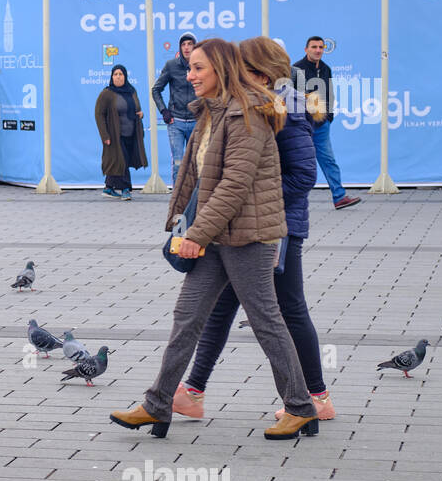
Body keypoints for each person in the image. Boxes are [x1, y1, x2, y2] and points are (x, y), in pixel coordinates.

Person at [109, 38, 319, 441]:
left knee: (266, 321)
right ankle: (158, 405)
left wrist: (197, 234)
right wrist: (177, 223)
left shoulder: (248, 117)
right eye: (189, 68)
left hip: (248, 236)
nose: (189, 76)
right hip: (215, 235)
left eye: (198, 68)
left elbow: (234, 185)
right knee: (187, 318)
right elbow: (195, 176)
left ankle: (300, 407)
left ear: (221, 70)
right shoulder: (212, 114)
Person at [173, 36, 335, 422]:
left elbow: (304, 175)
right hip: (244, 226)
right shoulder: (252, 106)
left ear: (260, 73)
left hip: (278, 227)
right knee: (223, 306)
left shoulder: (286, 108)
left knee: (287, 309)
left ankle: (317, 398)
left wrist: (254, 197)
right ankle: (191, 391)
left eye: (240, 69)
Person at [292, 36, 360, 210]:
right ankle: (295, 202)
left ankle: (339, 197)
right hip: (302, 125)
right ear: (306, 49)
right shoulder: (296, 69)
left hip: (321, 125)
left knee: (328, 160)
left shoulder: (326, 69)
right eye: (314, 47)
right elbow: (292, 97)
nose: (318, 50)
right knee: (299, 163)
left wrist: (328, 117)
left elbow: (329, 94)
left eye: (321, 47)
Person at [94, 64, 147, 201]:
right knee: (121, 160)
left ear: (125, 76)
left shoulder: (131, 91)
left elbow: (137, 108)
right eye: (115, 74)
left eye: (121, 74)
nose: (118, 77)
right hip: (115, 135)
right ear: (112, 77)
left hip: (131, 133)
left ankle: (109, 187)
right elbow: (99, 115)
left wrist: (141, 114)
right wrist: (104, 135)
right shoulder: (107, 94)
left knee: (118, 161)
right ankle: (125, 189)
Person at [152, 33, 198, 187]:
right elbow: (156, 90)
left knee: (197, 161)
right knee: (178, 162)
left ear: (195, 46)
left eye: (190, 44)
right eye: (183, 44)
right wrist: (164, 111)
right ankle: (177, 196)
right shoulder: (171, 66)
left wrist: (205, 111)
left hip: (196, 121)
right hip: (176, 122)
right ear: (180, 47)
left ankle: (195, 197)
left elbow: (211, 90)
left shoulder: (201, 66)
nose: (186, 47)